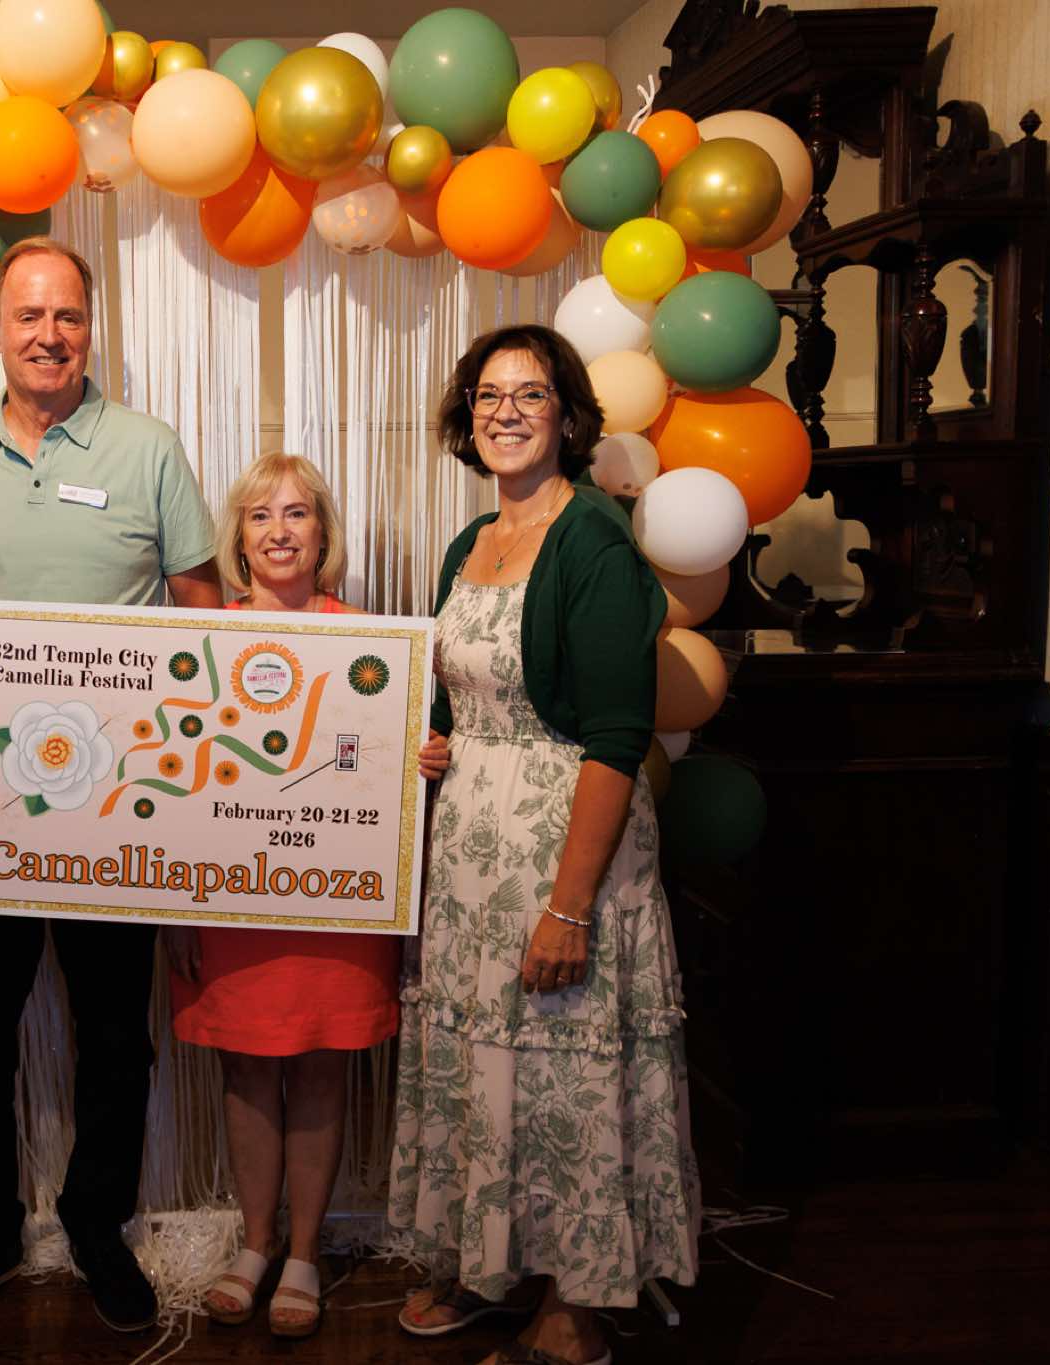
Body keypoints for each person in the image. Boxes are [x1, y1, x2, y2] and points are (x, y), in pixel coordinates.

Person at [0, 236, 221, 1335]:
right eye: (28, 316)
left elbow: (200, 601)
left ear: (90, 329)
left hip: (117, 806)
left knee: (115, 1034)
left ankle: (95, 1224)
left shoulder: (147, 447)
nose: (48, 335)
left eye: (67, 315)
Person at [386, 325, 699, 1365]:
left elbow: (616, 737)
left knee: (565, 1075)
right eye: (487, 394)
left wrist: (569, 906)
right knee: (492, 1073)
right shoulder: (469, 540)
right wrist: (436, 744)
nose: (505, 411)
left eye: (529, 393)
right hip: (472, 865)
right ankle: (498, 1267)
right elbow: (460, 695)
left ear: (567, 416)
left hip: (562, 856)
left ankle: (576, 1302)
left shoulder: (592, 540)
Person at [159, 453, 402, 1338]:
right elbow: (171, 778)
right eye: (261, 515)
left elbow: (385, 767)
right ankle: (255, 1243)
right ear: (237, 539)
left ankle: (304, 1253)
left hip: (336, 902)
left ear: (322, 532)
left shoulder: (374, 643)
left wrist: (423, 756)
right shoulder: (199, 641)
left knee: (323, 1064)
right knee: (247, 1067)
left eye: (297, 513)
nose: (279, 531)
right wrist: (176, 904)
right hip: (230, 905)